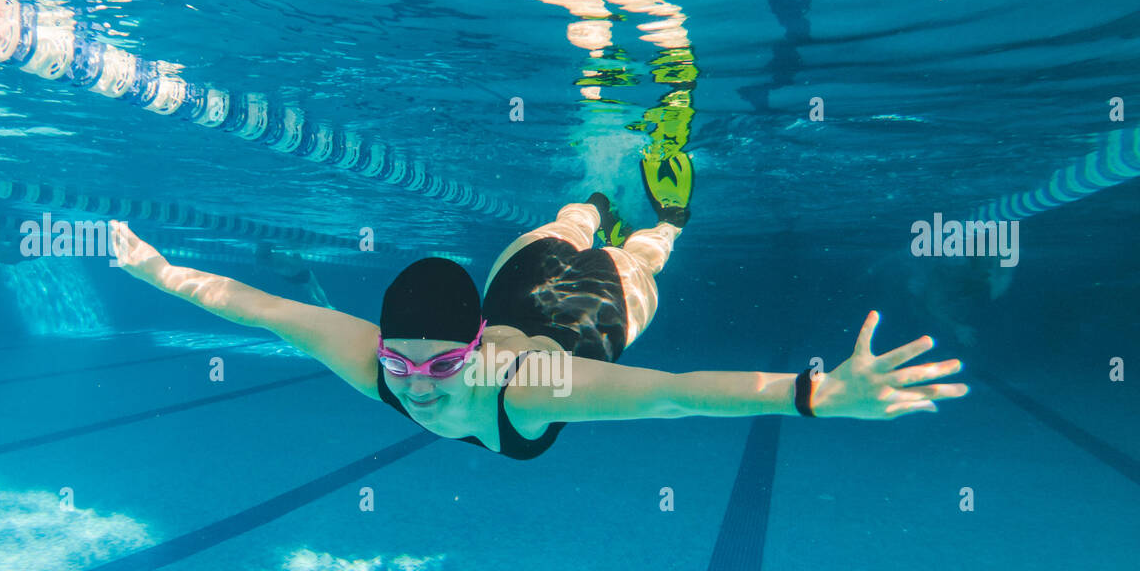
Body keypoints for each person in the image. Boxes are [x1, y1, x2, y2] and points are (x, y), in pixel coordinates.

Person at [108, 152, 968, 460]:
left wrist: (812, 393)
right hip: (518, 280)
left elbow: (672, 391)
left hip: (586, 321)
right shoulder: (376, 358)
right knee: (565, 220)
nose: (415, 387)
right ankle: (596, 198)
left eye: (440, 365)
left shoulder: (534, 388)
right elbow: (259, 307)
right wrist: (157, 272)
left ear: (475, 349)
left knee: (638, 258)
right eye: (400, 362)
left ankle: (665, 221)